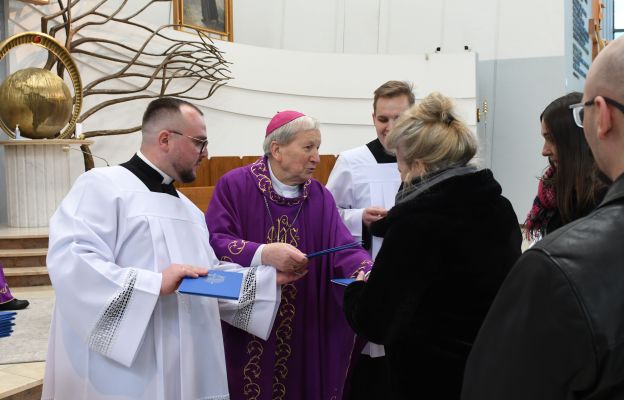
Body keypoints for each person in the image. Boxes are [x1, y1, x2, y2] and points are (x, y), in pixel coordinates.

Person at [41, 98, 299, 400]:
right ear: (165, 138)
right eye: (200, 143)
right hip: (127, 370)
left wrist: (263, 280)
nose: (207, 154)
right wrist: (153, 283)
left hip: (185, 361)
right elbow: (72, 263)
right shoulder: (102, 186)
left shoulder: (189, 210)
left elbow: (205, 277)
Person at [462, 37, 624, 399]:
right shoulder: (556, 213)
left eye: (551, 138)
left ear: (603, 117)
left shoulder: (557, 266)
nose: (543, 150)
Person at [341, 92, 522, 399]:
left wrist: (357, 290)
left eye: (399, 160)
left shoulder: (418, 225)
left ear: (420, 166)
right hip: (490, 369)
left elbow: (377, 322)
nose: (398, 169)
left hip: (432, 378)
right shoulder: (499, 207)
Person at [205, 110, 374, 400]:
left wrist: (365, 269)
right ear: (277, 149)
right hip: (249, 328)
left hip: (306, 322)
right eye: (308, 147)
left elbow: (343, 247)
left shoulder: (319, 196)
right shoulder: (235, 186)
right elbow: (214, 242)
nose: (317, 158)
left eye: (318, 148)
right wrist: (263, 253)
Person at [326, 80, 414, 399]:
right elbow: (327, 215)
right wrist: (358, 218)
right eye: (383, 119)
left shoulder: (425, 161)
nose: (389, 128)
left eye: (399, 119)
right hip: (371, 275)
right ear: (373, 117)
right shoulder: (352, 161)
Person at [524, 92, 607, 241]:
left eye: (551, 139)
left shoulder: (604, 202)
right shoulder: (553, 189)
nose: (544, 151)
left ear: (577, 142)